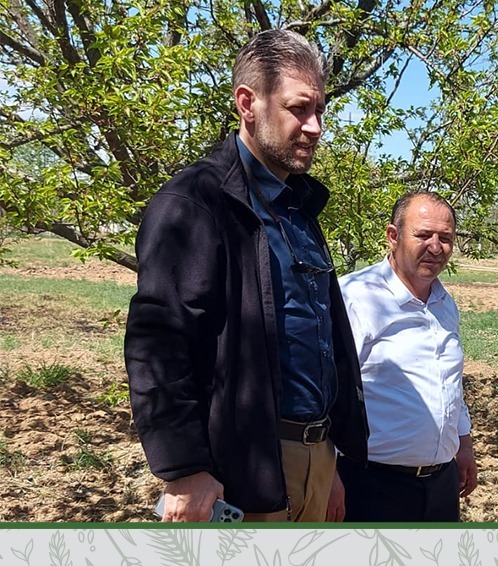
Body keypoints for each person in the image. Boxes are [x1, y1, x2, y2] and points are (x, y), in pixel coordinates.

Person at [125, 29, 368, 523]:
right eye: (299, 108)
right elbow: (159, 341)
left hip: (316, 461)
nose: (316, 126)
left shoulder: (299, 207)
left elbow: (315, 339)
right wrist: (183, 468)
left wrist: (329, 458)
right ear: (247, 104)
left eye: (320, 109)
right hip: (244, 472)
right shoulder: (195, 203)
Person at [333, 191, 477, 522]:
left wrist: (464, 443)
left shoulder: (445, 303)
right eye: (424, 235)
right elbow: (328, 393)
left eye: (446, 238)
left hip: (440, 484)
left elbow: (449, 382)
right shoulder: (355, 298)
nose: (436, 247)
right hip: (372, 485)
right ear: (393, 236)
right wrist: (329, 476)